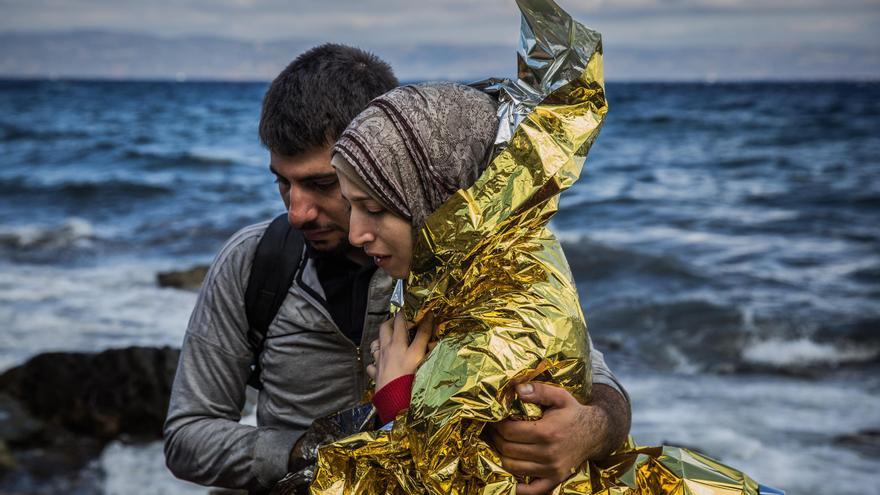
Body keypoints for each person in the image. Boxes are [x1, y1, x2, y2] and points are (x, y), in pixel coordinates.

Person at [163, 44, 630, 494]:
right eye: (283, 183)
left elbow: (594, 380)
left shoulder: (472, 267)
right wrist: (315, 452)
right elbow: (187, 437)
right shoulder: (254, 261)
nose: (297, 212)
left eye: (323, 185)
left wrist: (592, 428)